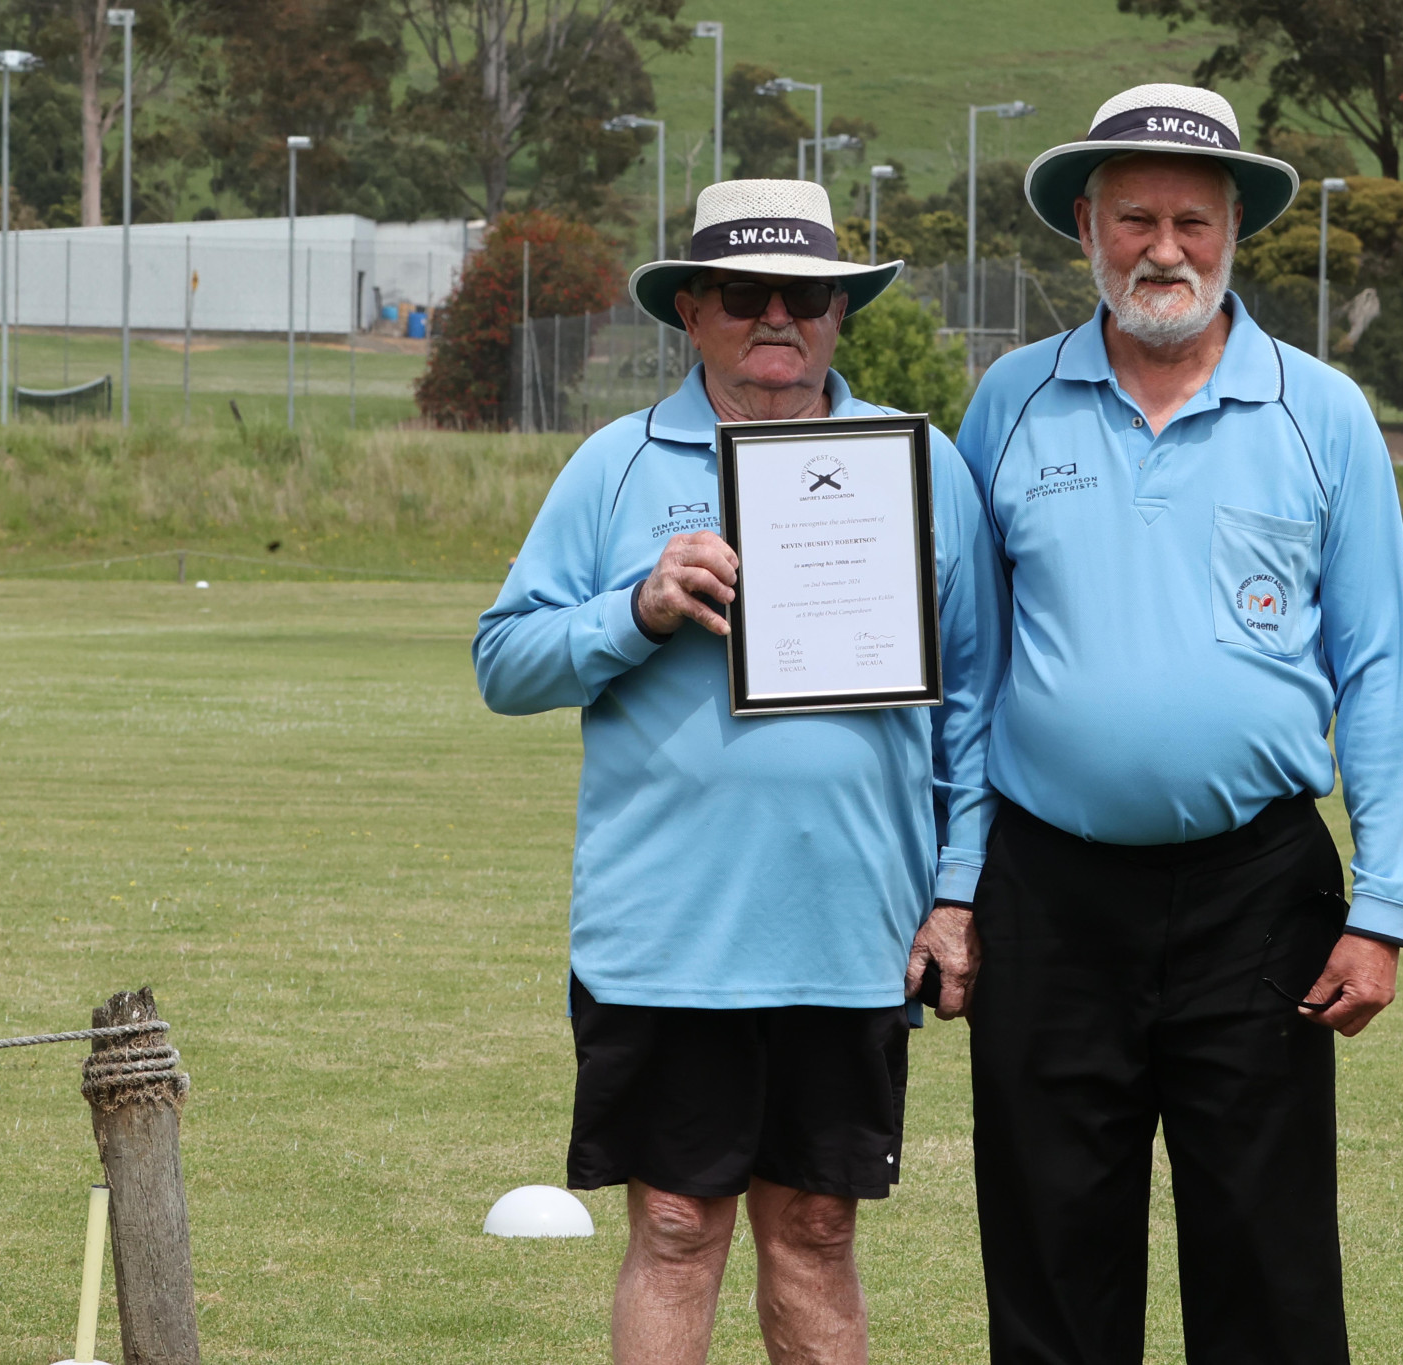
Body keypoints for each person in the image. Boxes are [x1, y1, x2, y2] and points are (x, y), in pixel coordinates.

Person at [472, 180, 1003, 1365]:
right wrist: (637, 609)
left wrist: (958, 889)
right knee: (672, 1225)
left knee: (816, 1230)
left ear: (838, 314)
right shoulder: (614, 465)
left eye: (804, 294)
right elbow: (502, 661)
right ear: (693, 314)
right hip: (666, 934)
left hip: (851, 930)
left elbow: (975, 708)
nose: (778, 316)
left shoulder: (922, 468)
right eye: (745, 295)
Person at [953, 85, 1403, 1364]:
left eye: (1189, 220)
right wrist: (951, 886)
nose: (1162, 248)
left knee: (1265, 1273)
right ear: (1083, 227)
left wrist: (1383, 910)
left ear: (1233, 233)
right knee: (1053, 1267)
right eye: (1132, 219)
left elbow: (1375, 667)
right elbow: (966, 672)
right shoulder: (1006, 405)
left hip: (1256, 893)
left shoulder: (1319, 412)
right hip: (1044, 894)